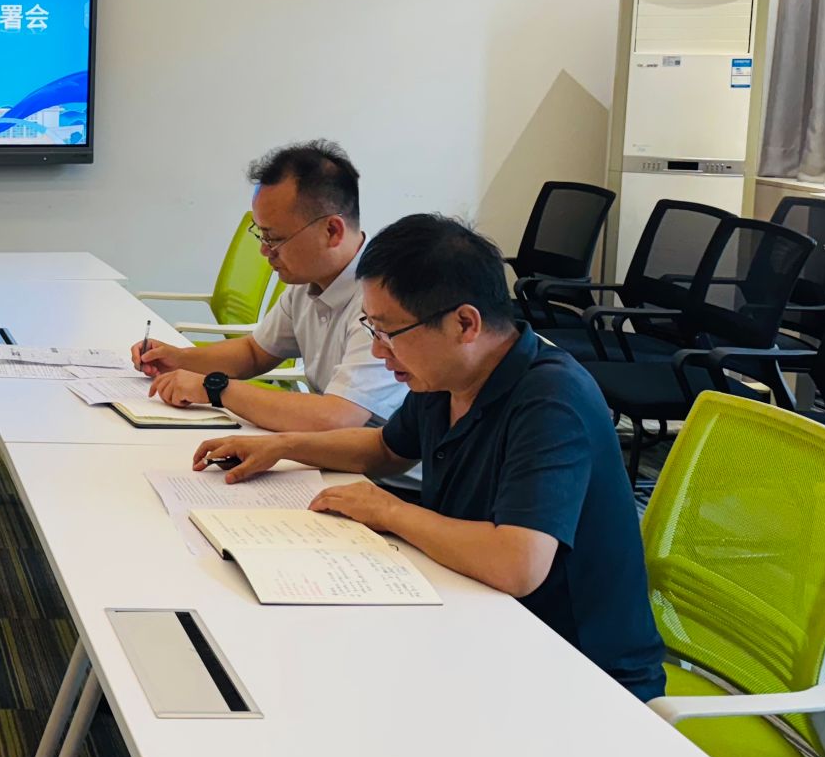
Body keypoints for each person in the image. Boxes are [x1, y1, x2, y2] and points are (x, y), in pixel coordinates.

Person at [193, 214, 664, 700]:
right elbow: (386, 449)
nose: (380, 353)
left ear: (465, 323)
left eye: (388, 332)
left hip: (578, 673)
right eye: (371, 328)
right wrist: (285, 446)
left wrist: (391, 511)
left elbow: (517, 563)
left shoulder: (551, 400)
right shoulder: (446, 375)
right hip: (479, 620)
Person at [133, 141, 407, 431]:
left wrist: (217, 389)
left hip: (378, 458)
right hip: (331, 447)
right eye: (261, 236)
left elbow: (336, 418)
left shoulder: (384, 297)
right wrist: (178, 359)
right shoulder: (309, 280)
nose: (265, 251)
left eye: (274, 238)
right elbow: (254, 352)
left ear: (331, 231)